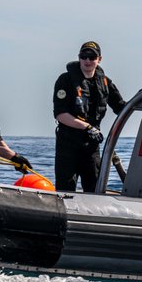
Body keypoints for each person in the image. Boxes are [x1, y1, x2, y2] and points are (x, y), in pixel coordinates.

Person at [53, 40, 127, 192]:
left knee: (94, 188)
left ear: (99, 59)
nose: (87, 60)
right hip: (68, 145)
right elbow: (60, 114)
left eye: (92, 57)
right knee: (65, 188)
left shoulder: (105, 82)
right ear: (79, 57)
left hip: (92, 147)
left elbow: (121, 107)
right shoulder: (65, 80)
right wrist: (87, 127)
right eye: (84, 56)